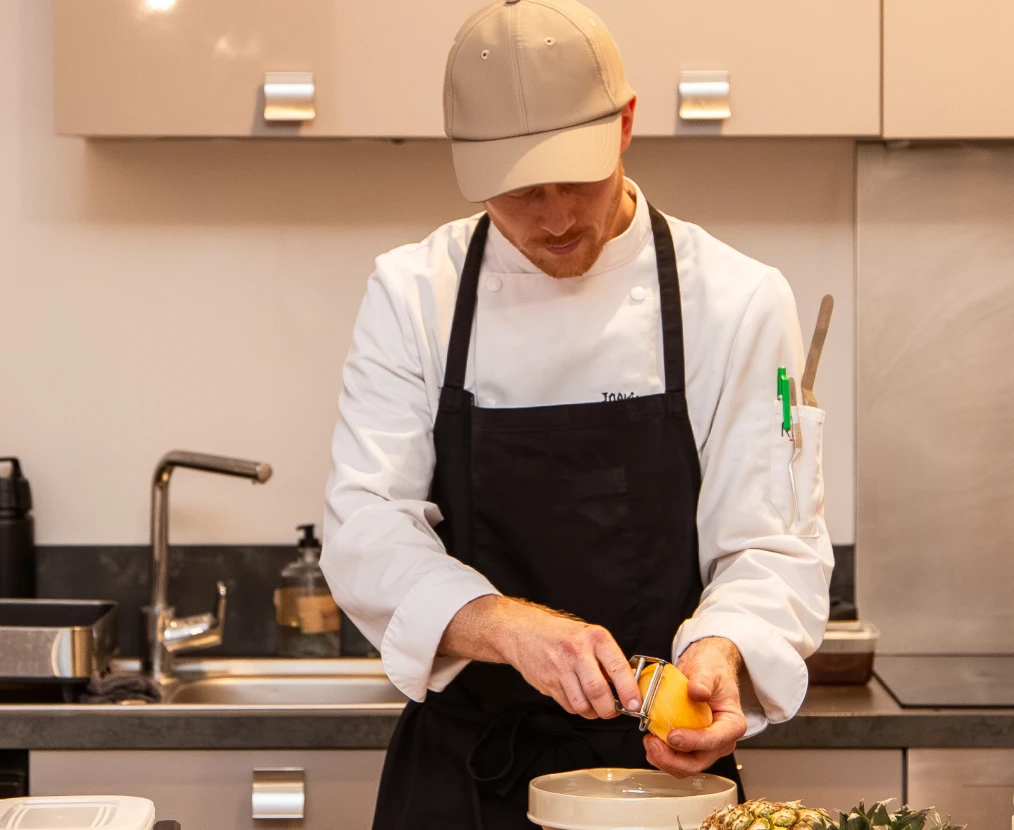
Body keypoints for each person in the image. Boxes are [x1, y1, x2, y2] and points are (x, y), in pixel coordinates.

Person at [322, 0, 833, 826]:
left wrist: (723, 645)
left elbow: (774, 544)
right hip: (462, 776)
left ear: (626, 124)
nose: (556, 218)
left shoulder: (737, 300)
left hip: (664, 780)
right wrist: (505, 627)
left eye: (577, 180)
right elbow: (366, 529)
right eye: (521, 190)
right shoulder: (414, 294)